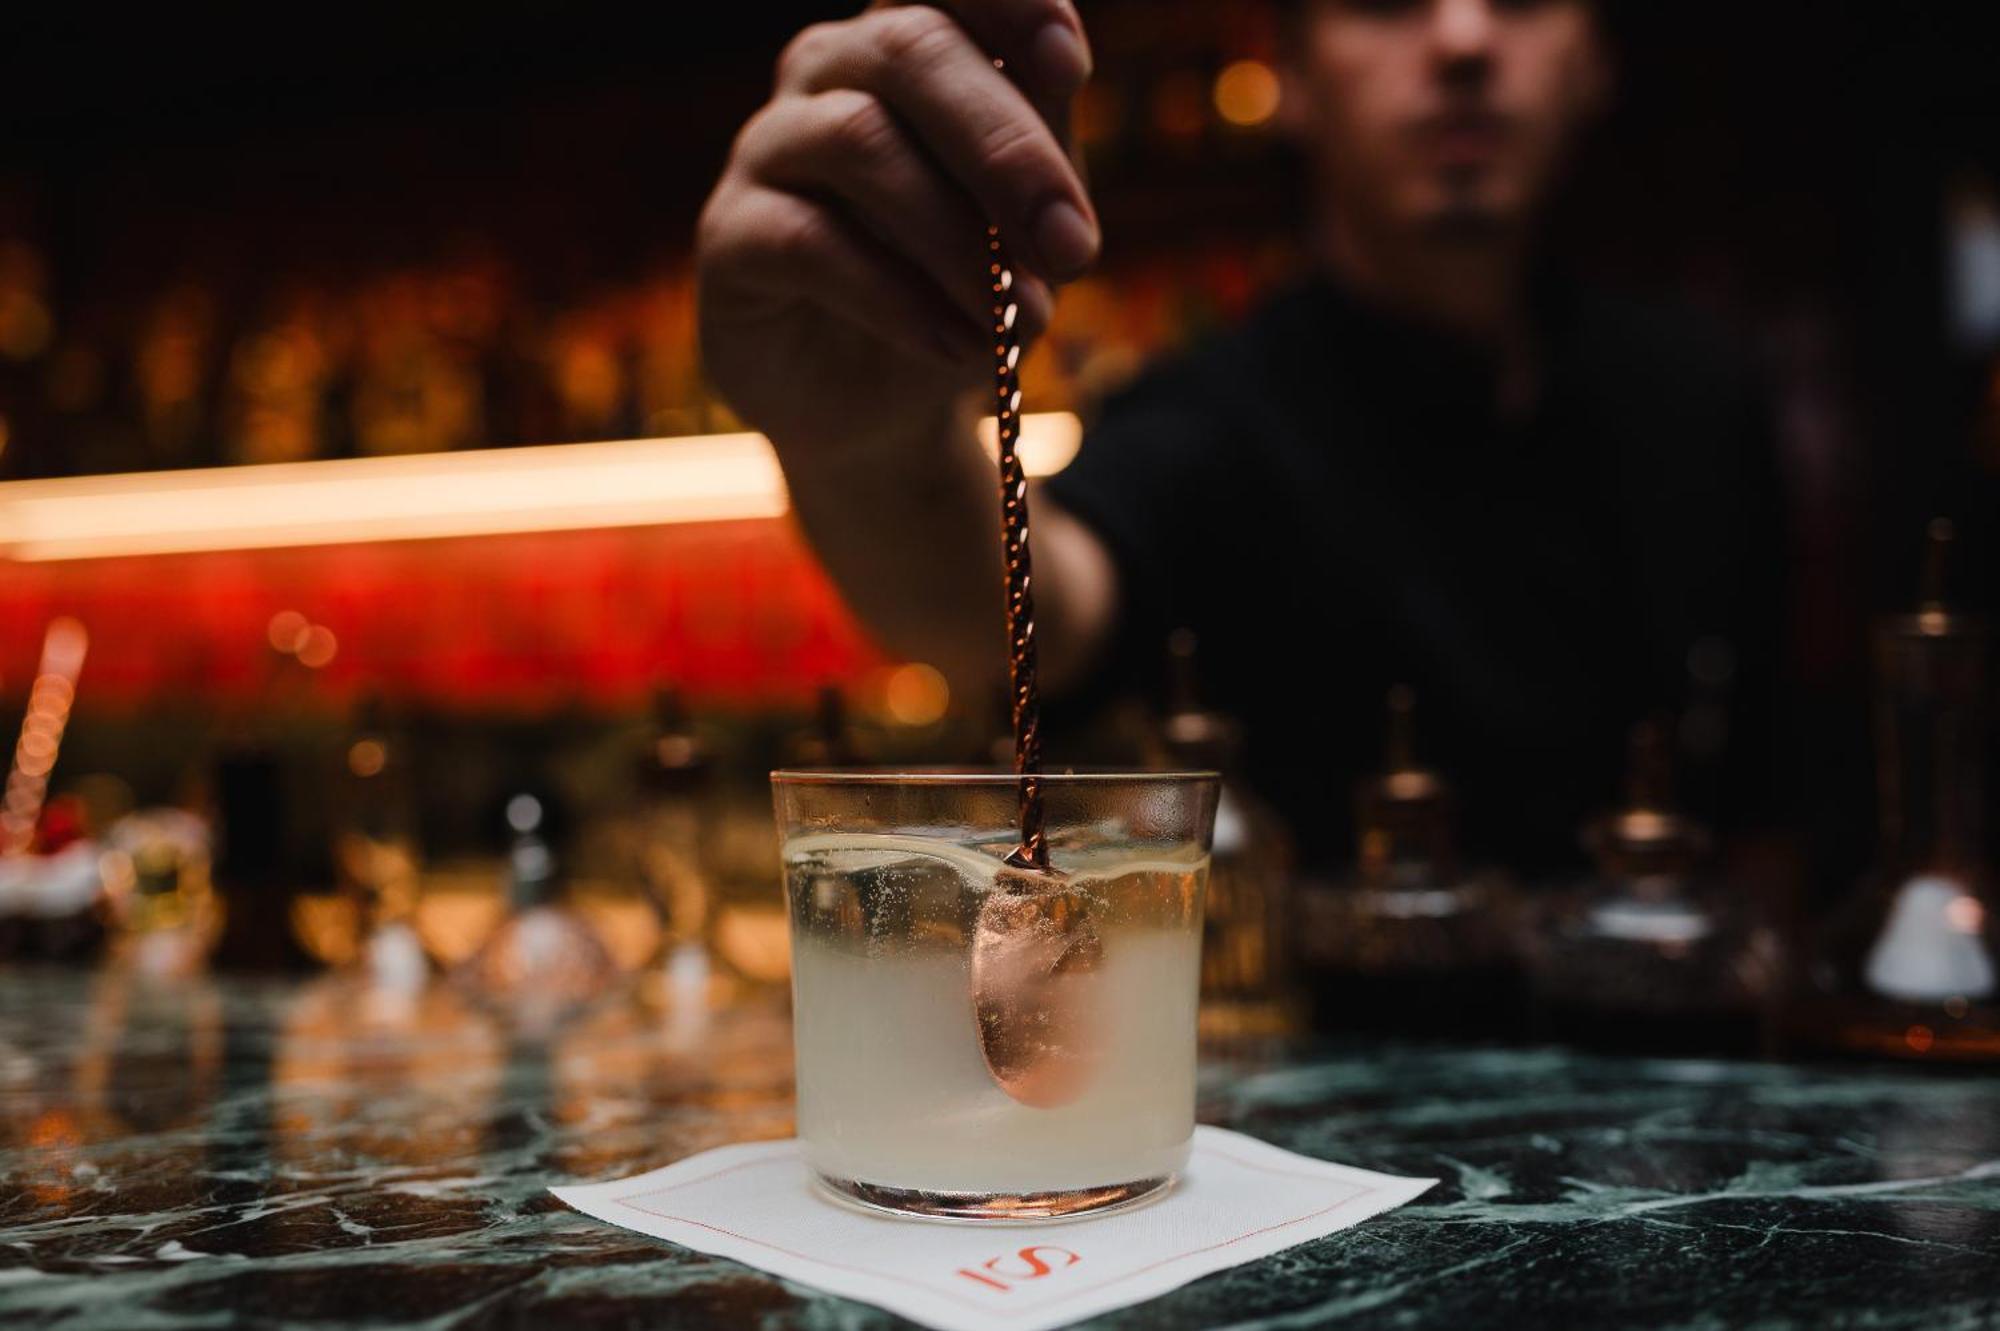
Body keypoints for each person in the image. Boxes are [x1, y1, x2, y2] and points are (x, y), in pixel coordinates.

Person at [695, 0, 1783, 877]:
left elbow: (1778, 806)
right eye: (1384, 2)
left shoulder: (1703, 398)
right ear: (1294, 82)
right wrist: (862, 442)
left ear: (1593, 57)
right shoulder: (1212, 418)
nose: (1460, 34)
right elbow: (1016, 610)